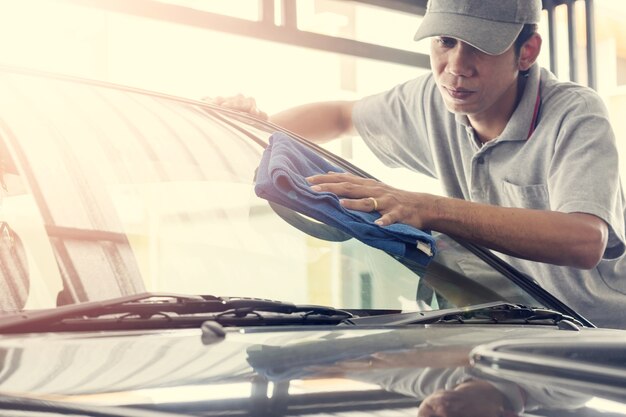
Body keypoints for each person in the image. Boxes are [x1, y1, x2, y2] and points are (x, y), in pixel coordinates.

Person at [209, 0, 626, 329]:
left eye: (481, 46)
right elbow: (339, 116)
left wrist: (428, 208)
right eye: (445, 41)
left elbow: (583, 240)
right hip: (523, 334)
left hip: (603, 341)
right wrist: (256, 126)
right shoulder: (431, 99)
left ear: (526, 52)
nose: (457, 68)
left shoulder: (576, 113)